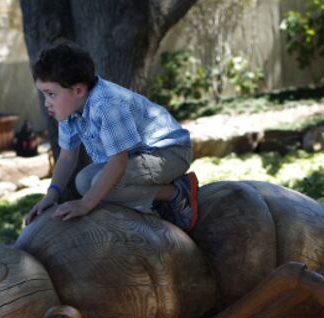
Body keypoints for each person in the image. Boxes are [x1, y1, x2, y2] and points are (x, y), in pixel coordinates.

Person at [24, 41, 198, 231]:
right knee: (83, 182)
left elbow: (118, 162)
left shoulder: (107, 105)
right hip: (138, 158)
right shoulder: (69, 112)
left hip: (170, 152)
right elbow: (67, 157)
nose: (46, 103)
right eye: (44, 95)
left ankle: (176, 193)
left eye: (51, 94)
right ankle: (153, 197)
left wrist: (86, 204)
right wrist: (51, 195)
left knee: (100, 187)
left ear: (78, 90)